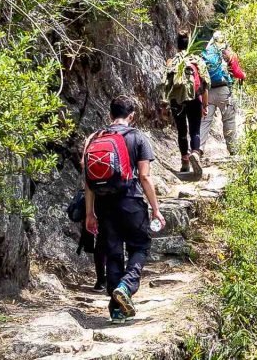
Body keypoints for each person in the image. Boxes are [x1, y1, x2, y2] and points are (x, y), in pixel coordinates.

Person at [82, 95, 162, 321]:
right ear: (132, 116)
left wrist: (90, 213)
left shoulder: (95, 138)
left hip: (104, 205)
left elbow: (87, 181)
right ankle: (126, 287)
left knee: (113, 253)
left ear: (110, 115)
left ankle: (116, 310)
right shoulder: (138, 137)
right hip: (132, 202)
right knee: (140, 246)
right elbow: (145, 177)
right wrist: (156, 208)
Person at [165, 32, 209, 175]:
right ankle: (195, 153)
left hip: (176, 100)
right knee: (195, 130)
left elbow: (167, 84)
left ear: (176, 44)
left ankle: (185, 161)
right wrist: (205, 105)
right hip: (194, 98)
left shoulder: (171, 62)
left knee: (182, 131)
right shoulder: (197, 60)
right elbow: (205, 84)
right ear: (189, 42)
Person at [198, 33, 247, 157]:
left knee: (205, 121)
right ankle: (233, 150)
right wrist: (243, 75)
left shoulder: (205, 53)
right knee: (229, 120)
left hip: (207, 92)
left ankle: (198, 149)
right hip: (224, 91)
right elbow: (236, 72)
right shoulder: (228, 53)